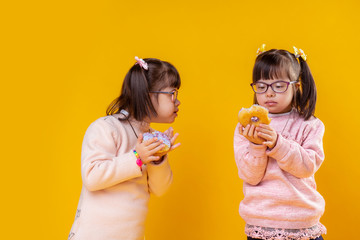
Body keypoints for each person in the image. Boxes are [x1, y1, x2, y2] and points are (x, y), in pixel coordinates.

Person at [68, 57, 181, 240]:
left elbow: (160, 189)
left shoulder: (149, 136)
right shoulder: (107, 128)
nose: (178, 101)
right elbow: (91, 176)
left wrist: (158, 158)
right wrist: (137, 157)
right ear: (148, 95)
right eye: (172, 93)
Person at [234, 45, 326, 240]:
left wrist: (277, 144)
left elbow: (307, 167)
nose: (269, 93)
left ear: (296, 87)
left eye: (278, 86)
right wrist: (257, 146)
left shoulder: (309, 125)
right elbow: (250, 176)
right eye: (261, 86)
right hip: (261, 223)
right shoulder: (245, 127)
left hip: (302, 223)